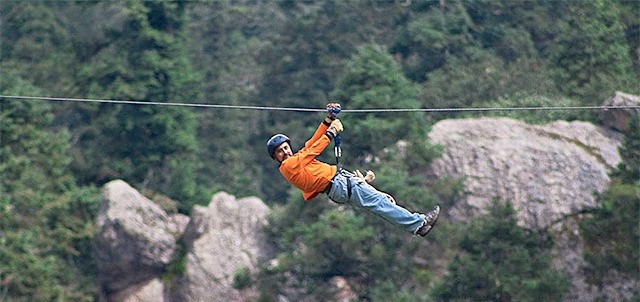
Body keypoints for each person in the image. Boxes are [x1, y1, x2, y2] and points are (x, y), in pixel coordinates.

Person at [266, 103, 439, 237]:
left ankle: (417, 224)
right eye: (280, 151)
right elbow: (314, 150)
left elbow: (311, 142)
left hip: (340, 184)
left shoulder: (297, 161)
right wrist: (331, 133)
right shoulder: (288, 166)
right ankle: (418, 224)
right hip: (338, 185)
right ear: (276, 158)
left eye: (286, 147)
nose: (285, 151)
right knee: (380, 203)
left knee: (380, 201)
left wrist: (328, 120)